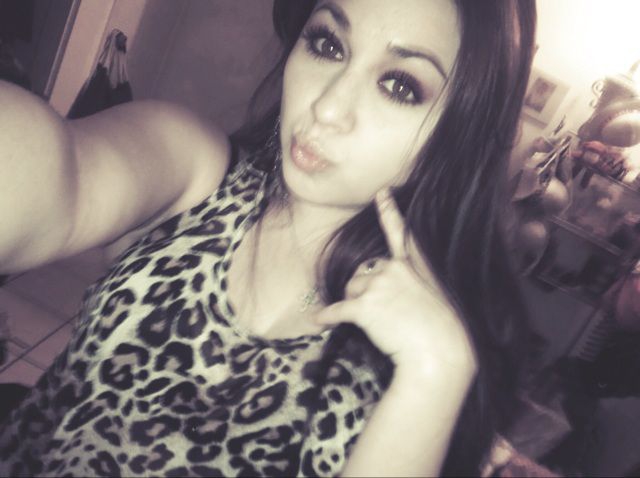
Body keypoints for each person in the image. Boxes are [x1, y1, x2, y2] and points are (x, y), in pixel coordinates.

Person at [0, 0, 538, 476]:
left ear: (459, 131)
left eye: (399, 85)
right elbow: (60, 174)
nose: (327, 108)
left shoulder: (423, 346)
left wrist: (436, 373)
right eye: (328, 44)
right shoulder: (193, 170)